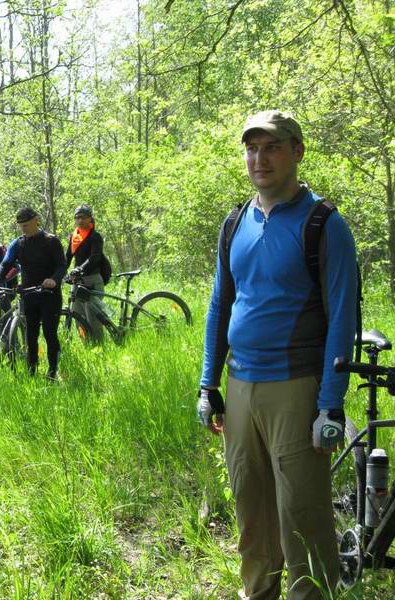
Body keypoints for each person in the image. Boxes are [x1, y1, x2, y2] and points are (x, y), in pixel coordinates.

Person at [198, 110, 357, 600]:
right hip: (240, 386)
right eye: (251, 148)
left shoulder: (323, 224)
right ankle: (258, 592)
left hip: (297, 386)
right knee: (251, 510)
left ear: (296, 152)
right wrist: (209, 384)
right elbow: (220, 304)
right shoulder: (234, 223)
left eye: (271, 147)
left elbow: (342, 319)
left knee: (302, 514)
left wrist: (330, 404)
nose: (259, 159)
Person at [0, 207, 66, 379]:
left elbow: (61, 266)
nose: (23, 228)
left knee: (49, 333)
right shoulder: (18, 243)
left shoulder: (51, 241)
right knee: (31, 336)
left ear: (36, 220)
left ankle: (52, 372)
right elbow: (5, 264)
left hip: (50, 295)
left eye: (26, 225)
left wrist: (54, 279)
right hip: (29, 295)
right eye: (21, 226)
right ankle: (32, 372)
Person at [65, 204, 107, 341]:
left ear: (90, 219)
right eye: (77, 218)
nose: (79, 220)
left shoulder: (95, 237)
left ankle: (100, 346)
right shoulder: (73, 237)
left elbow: (95, 257)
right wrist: (58, 273)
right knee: (78, 315)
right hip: (77, 282)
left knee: (93, 317)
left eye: (83, 217)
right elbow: (67, 258)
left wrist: (79, 269)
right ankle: (87, 345)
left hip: (93, 280)